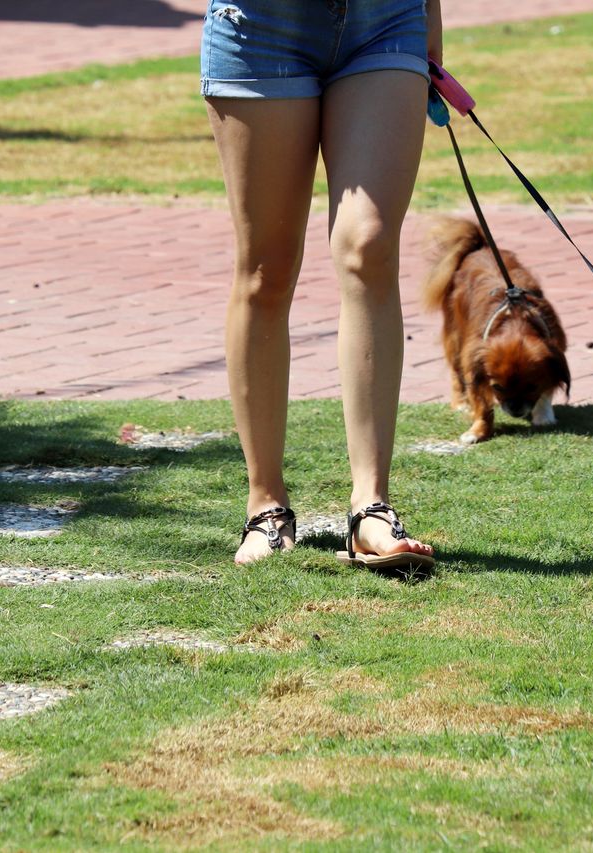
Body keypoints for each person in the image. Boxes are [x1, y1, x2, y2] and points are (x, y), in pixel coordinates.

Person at [201, 0, 440, 567]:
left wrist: (431, 22)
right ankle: (266, 507)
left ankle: (371, 508)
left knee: (370, 247)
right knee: (267, 270)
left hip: (384, 20)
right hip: (260, 27)